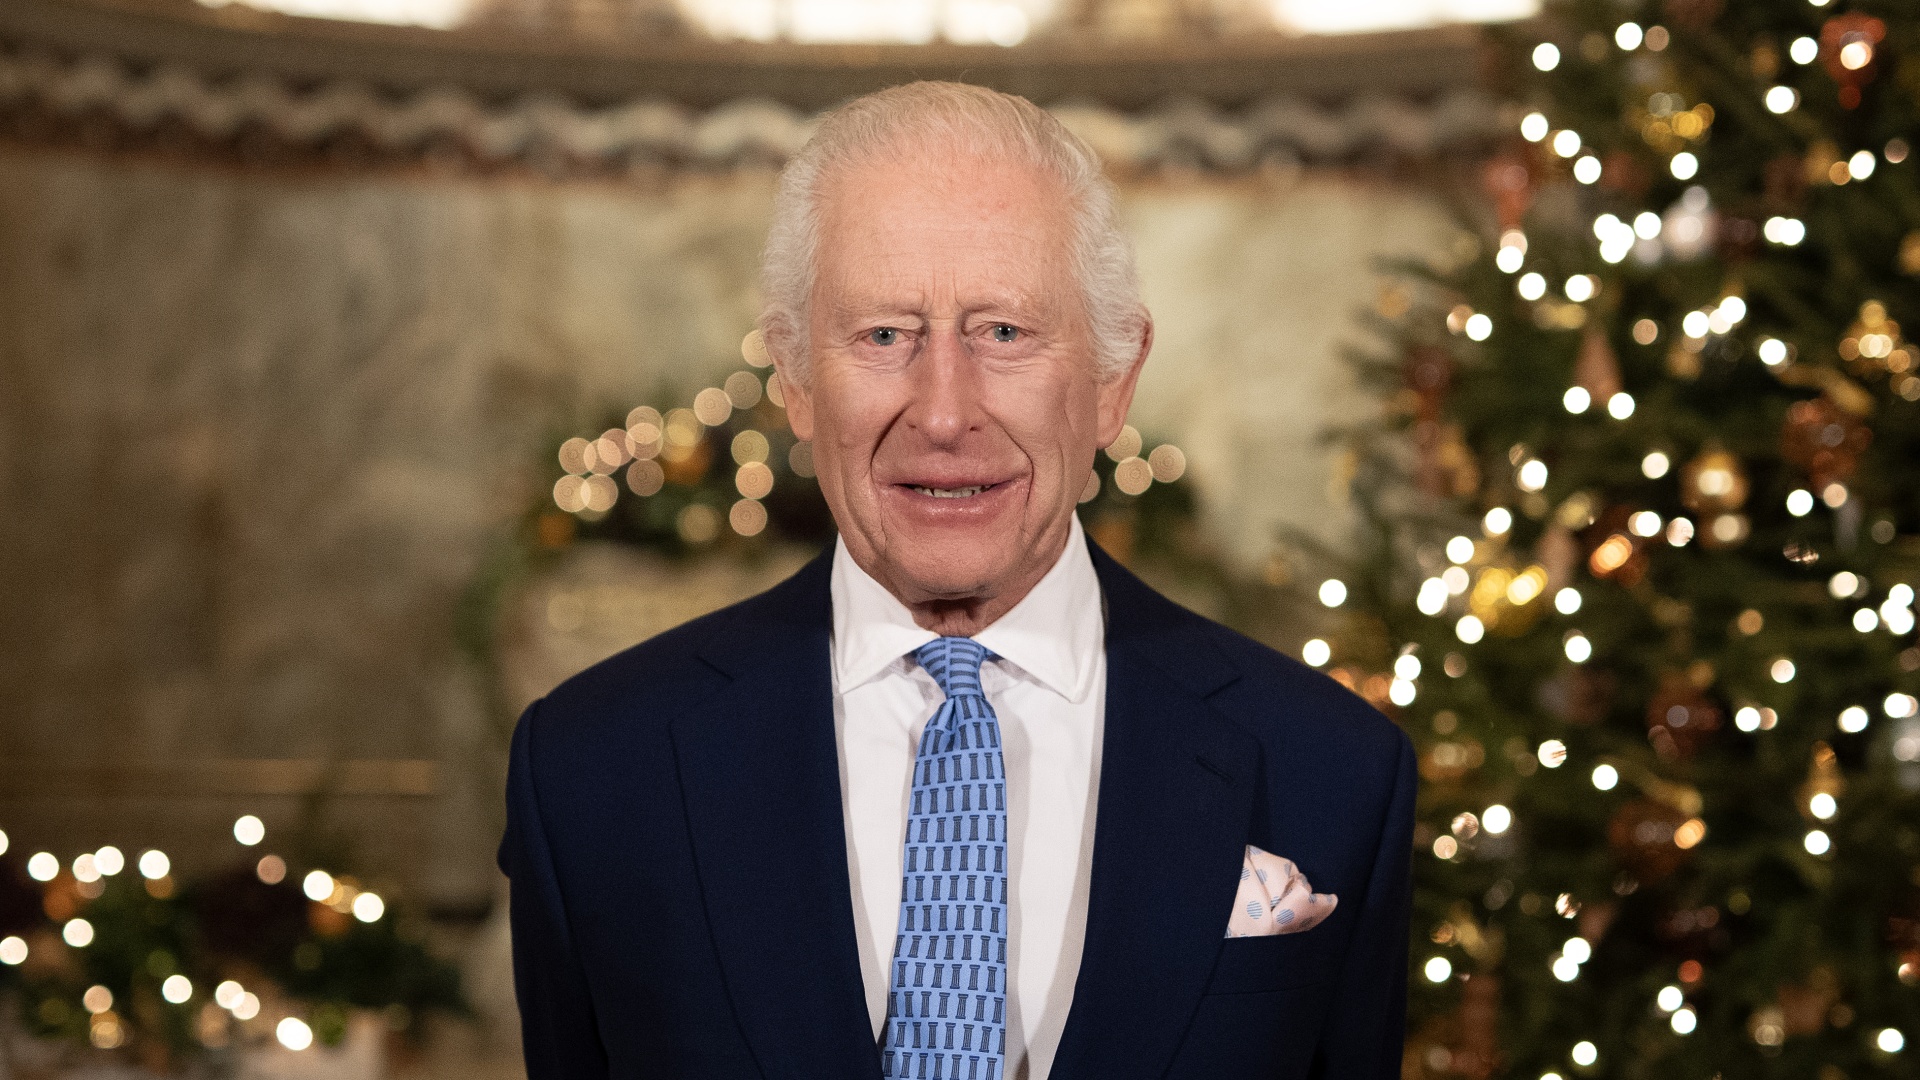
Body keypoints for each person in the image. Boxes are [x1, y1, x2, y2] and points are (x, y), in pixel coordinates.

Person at [500, 81, 1414, 1080]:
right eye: (884, 335)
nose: (943, 412)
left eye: (1005, 333)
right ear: (797, 378)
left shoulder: (1334, 771)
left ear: (1113, 379)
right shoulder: (593, 773)